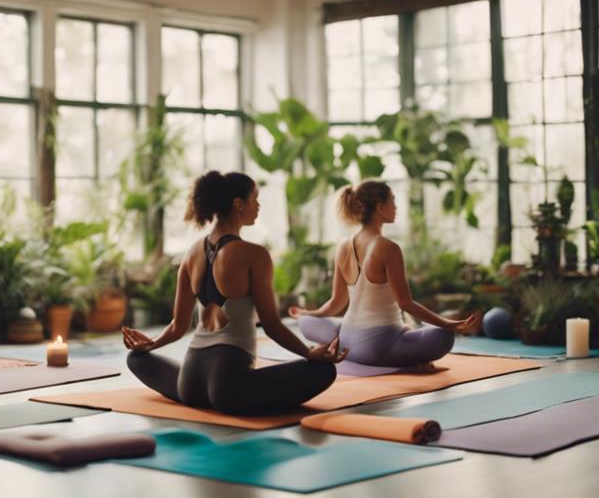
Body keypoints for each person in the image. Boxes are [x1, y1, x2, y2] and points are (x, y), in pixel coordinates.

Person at [122, 170, 347, 416]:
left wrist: (151, 345)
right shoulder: (254, 255)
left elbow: (178, 325)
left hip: (190, 383)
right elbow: (272, 325)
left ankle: (203, 392)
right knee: (323, 370)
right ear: (239, 204)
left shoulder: (190, 254)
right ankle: (223, 394)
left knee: (137, 359)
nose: (258, 206)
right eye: (255, 199)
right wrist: (308, 352)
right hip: (230, 388)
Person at [290, 180, 478, 369]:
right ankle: (409, 362)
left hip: (346, 341)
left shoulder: (343, 246)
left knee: (306, 322)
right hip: (379, 346)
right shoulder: (388, 248)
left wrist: (307, 313)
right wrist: (448, 324)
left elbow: (336, 302)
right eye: (392, 201)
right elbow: (405, 303)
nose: (396, 207)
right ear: (380, 207)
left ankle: (332, 344)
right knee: (443, 336)